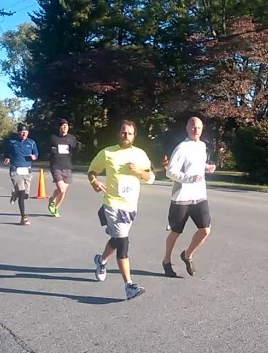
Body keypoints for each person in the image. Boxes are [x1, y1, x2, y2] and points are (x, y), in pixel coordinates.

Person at [87, 120, 155, 300]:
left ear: (134, 136)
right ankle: (129, 286)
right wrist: (94, 182)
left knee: (117, 240)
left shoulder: (140, 154)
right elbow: (92, 171)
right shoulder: (108, 152)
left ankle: (101, 261)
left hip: (130, 206)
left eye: (130, 133)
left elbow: (150, 177)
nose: (126, 136)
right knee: (123, 242)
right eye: (124, 132)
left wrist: (139, 172)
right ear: (119, 133)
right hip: (112, 204)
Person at [162, 116, 216, 277]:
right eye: (193, 127)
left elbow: (196, 165)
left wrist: (207, 167)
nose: (196, 130)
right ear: (187, 128)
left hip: (199, 195)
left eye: (198, 128)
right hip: (182, 197)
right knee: (176, 232)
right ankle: (166, 261)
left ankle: (187, 255)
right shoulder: (181, 148)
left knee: (205, 230)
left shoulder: (202, 146)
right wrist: (189, 178)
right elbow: (170, 171)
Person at [3, 123, 39, 226]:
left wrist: (34, 157)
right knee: (22, 194)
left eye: (26, 132)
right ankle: (23, 217)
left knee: (26, 195)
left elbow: (36, 153)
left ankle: (15, 194)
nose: (24, 134)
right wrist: (7, 158)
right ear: (18, 133)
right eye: (22, 132)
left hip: (27, 170)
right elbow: (6, 153)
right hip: (15, 170)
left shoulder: (31, 143)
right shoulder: (12, 142)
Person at [48, 118, 81, 217]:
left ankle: (56, 207)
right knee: (61, 189)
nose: (65, 128)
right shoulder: (53, 138)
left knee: (63, 191)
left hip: (67, 166)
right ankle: (52, 199)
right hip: (56, 166)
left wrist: (77, 148)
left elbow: (74, 151)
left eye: (66, 126)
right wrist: (51, 150)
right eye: (63, 126)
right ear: (59, 127)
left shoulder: (71, 138)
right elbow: (46, 148)